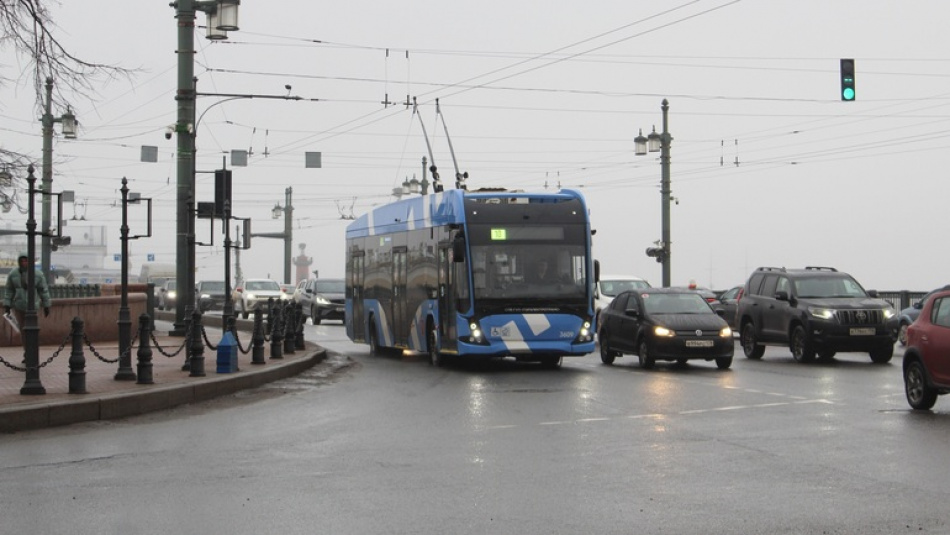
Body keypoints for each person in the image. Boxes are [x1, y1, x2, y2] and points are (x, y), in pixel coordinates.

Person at [4, 252, 52, 332]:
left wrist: (46, 306)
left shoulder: (38, 274)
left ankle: (32, 344)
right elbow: (9, 290)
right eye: (22, 261)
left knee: (33, 330)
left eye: (26, 261)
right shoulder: (13, 274)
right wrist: (7, 305)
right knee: (23, 329)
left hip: (34, 307)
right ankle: (25, 344)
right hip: (19, 306)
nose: (23, 263)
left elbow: (43, 291)